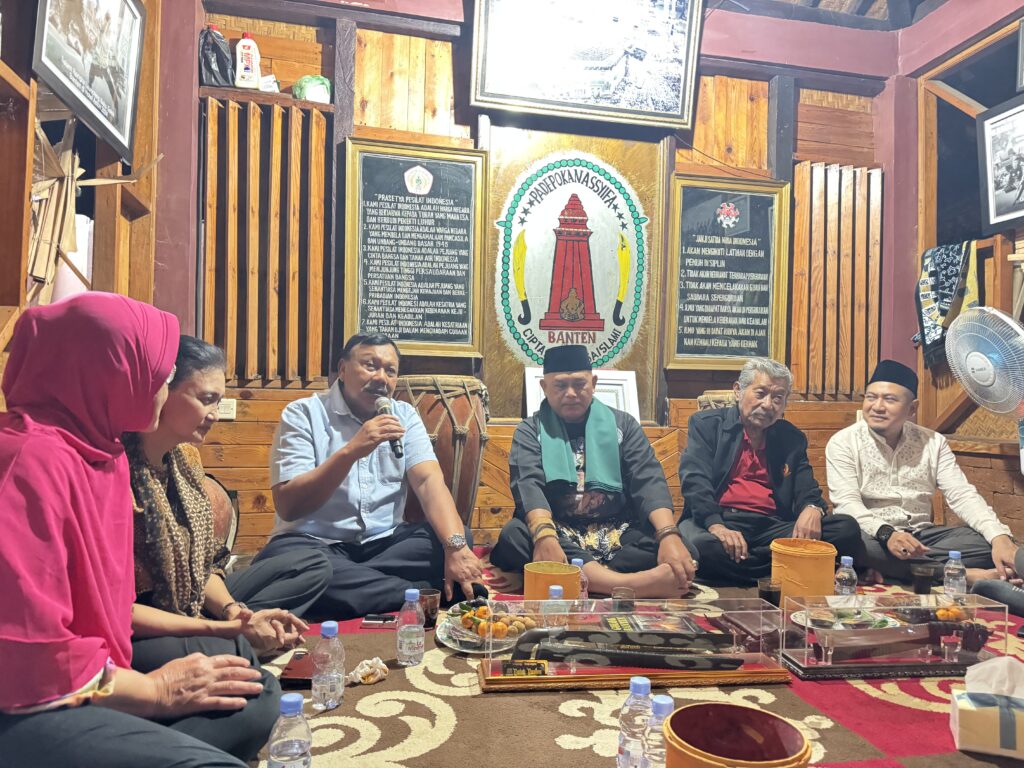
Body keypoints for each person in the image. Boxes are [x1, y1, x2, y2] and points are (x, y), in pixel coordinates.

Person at [0, 293, 278, 768]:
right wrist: (156, 692)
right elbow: (30, 660)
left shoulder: (102, 454)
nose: (161, 390)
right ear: (105, 373)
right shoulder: (29, 461)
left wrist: (221, 626)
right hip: (29, 703)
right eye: (160, 376)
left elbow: (114, 614)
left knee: (251, 690)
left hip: (94, 673)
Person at [125, 336, 332, 659]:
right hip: (142, 625)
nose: (215, 415)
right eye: (207, 399)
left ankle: (246, 633)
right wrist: (224, 630)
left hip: (193, 599)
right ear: (162, 391)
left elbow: (205, 564)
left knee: (313, 564)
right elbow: (117, 609)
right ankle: (238, 642)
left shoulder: (186, 459)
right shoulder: (117, 472)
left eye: (219, 402)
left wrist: (235, 612)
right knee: (244, 664)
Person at [252, 332, 484, 619]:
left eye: (390, 371)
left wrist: (455, 548)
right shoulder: (303, 414)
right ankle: (418, 593)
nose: (381, 378)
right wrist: (351, 451)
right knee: (292, 563)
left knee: (456, 536)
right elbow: (289, 507)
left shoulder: (404, 415)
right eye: (370, 366)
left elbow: (428, 482)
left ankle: (345, 590)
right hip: (315, 545)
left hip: (384, 546)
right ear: (342, 369)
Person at [489, 345, 698, 597]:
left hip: (617, 531)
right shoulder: (530, 430)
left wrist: (668, 535)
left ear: (594, 383)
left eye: (579, 384)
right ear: (544, 387)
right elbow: (528, 485)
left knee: (685, 547)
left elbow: (648, 480)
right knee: (515, 536)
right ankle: (635, 584)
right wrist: (545, 537)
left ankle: (586, 577)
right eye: (560, 386)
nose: (570, 393)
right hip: (558, 529)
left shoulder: (623, 425)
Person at [826, 359, 1019, 584]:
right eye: (871, 397)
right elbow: (847, 504)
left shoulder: (933, 443)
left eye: (889, 399)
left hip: (923, 537)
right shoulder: (843, 442)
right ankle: (962, 574)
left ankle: (892, 568)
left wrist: (999, 537)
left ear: (912, 408)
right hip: (874, 535)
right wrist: (888, 534)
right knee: (844, 536)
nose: (877, 406)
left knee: (991, 542)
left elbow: (962, 494)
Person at [678, 357, 864, 583]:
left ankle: (751, 568)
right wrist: (716, 525)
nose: (768, 404)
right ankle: (781, 569)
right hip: (721, 519)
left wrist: (813, 508)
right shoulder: (706, 425)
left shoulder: (791, 437)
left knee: (845, 529)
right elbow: (694, 481)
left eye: (777, 398)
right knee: (702, 547)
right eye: (760, 393)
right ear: (738, 391)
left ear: (784, 404)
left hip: (771, 527)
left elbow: (807, 489)